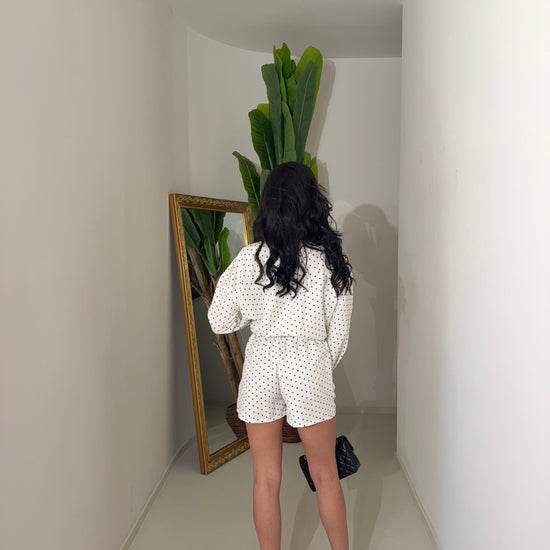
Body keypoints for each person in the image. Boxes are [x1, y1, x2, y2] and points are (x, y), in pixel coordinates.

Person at [208, 161, 354, 550]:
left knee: (265, 479)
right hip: (309, 362)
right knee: (326, 475)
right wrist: (315, 368)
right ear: (311, 203)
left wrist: (247, 305)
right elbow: (338, 338)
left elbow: (220, 320)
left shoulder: (249, 258)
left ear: (269, 205)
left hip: (260, 364)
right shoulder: (329, 260)